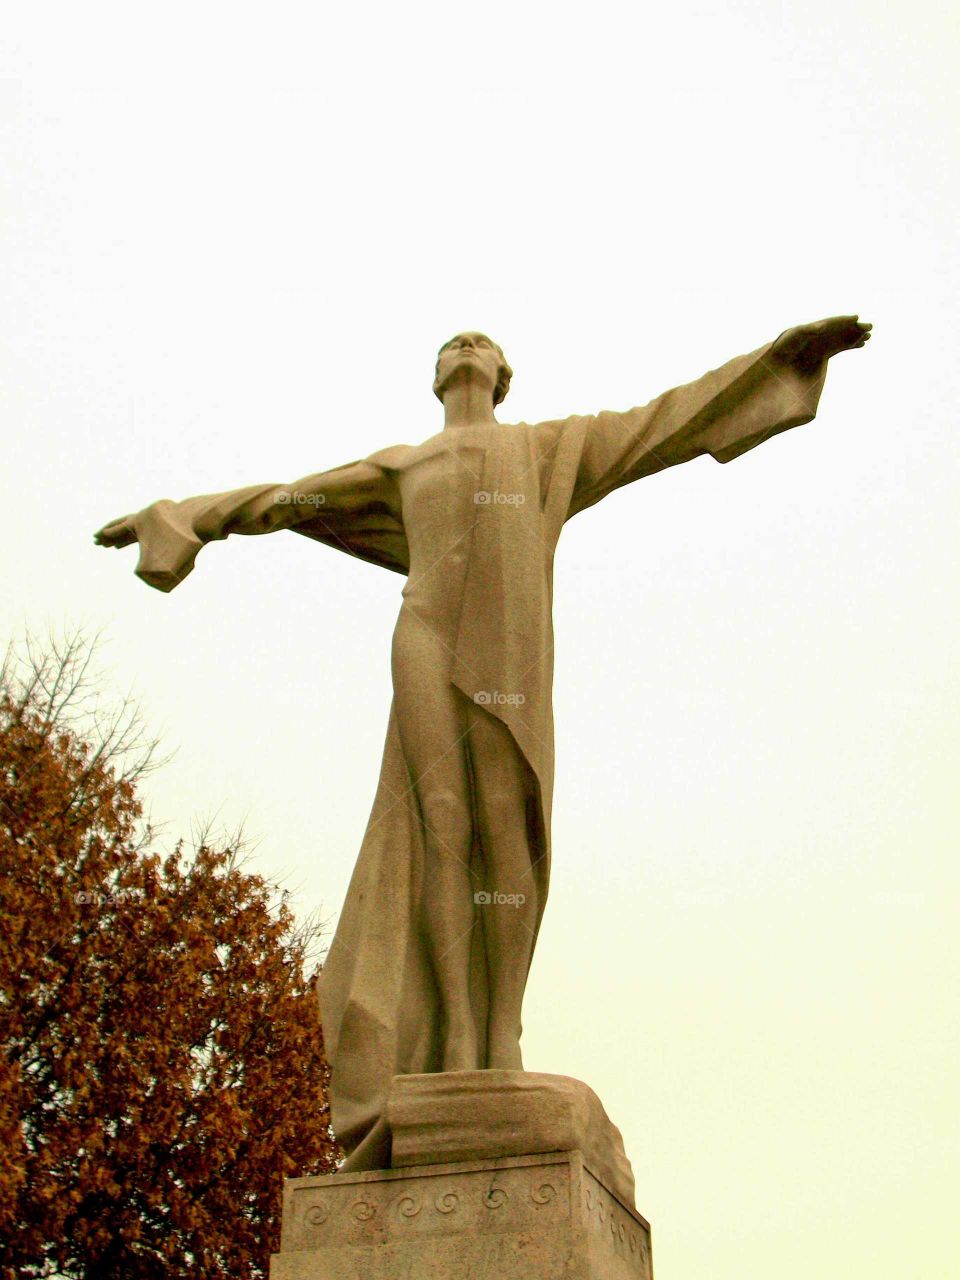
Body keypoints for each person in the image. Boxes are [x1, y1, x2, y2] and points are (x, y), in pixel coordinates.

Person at [95, 315, 871, 1169]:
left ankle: (501, 1036)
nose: (465, 345)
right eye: (451, 344)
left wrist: (776, 364)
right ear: (437, 378)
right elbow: (281, 502)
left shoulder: (548, 450)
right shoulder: (401, 465)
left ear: (503, 376)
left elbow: (663, 423)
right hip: (424, 635)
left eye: (481, 343)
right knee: (441, 823)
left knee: (506, 829)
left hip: (506, 653)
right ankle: (458, 1033)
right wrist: (175, 519)